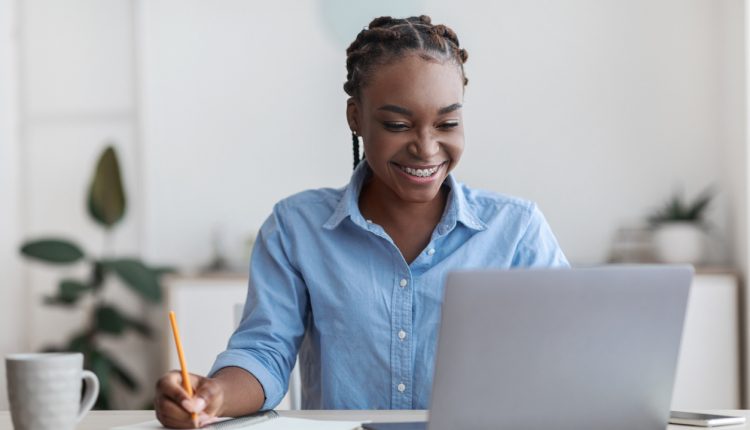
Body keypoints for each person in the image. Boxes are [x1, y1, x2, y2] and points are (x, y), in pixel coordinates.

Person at [154, 15, 568, 428]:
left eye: (448, 123)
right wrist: (215, 395)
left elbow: (569, 352)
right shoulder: (296, 229)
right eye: (397, 125)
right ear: (355, 117)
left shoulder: (516, 231)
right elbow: (264, 352)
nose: (426, 148)